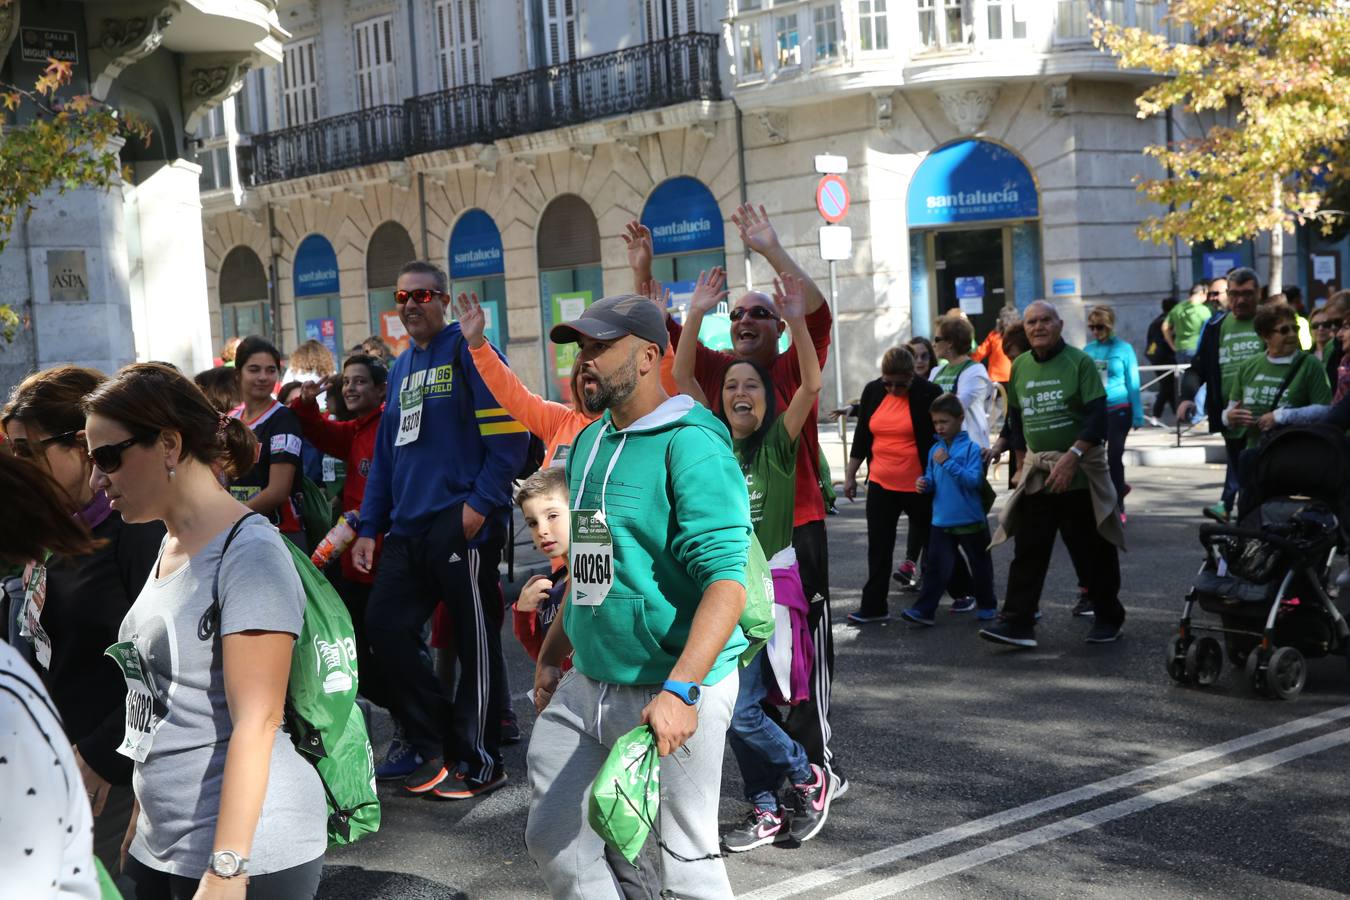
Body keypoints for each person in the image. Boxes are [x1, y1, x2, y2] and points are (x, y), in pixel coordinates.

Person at [524, 292, 749, 900]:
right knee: (555, 838)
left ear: (649, 356)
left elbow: (729, 582)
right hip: (588, 683)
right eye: (582, 348)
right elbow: (592, 563)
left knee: (687, 864)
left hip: (671, 688)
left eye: (601, 347)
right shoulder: (593, 440)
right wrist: (553, 651)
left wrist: (681, 690)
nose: (584, 361)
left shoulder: (693, 443)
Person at [82, 363, 327, 898]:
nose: (98, 479)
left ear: (168, 445)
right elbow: (161, 700)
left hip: (249, 851)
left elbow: (258, 721)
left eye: (106, 457)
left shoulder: (250, 552)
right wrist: (140, 824)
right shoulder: (167, 545)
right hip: (162, 844)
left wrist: (228, 866)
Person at [627, 205, 844, 792]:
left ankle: (816, 764)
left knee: (799, 663)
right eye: (739, 312)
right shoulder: (724, 372)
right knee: (748, 669)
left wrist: (772, 249)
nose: (747, 318)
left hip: (795, 532)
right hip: (737, 542)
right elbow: (668, 342)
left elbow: (815, 315)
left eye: (760, 312)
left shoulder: (794, 366)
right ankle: (773, 782)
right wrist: (644, 271)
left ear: (777, 325)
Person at [351, 260, 527, 800]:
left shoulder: (470, 349)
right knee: (381, 632)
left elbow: (512, 435)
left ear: (443, 300)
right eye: (402, 295)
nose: (410, 304)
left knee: (473, 644)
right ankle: (437, 742)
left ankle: (480, 760)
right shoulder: (402, 365)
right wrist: (368, 526)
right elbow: (385, 458)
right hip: (406, 530)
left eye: (422, 295)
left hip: (461, 524)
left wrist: (479, 506)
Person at [674, 269, 831, 852]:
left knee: (746, 709)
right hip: (724, 591)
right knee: (731, 706)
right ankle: (765, 805)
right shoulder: (712, 439)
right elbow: (685, 372)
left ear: (769, 402)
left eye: (754, 387)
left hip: (772, 596)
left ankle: (808, 773)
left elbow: (811, 383)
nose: (741, 392)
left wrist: (794, 317)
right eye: (733, 385)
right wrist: (695, 311)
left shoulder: (779, 446)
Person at [2, 366, 165, 875]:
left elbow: (167, 667)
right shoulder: (56, 526)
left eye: (28, 450)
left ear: (81, 444)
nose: (18, 464)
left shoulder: (136, 528)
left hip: (117, 773)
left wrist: (100, 755)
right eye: (12, 450)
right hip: (59, 762)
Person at [981, 302, 1126, 649]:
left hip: (1079, 474)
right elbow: (1016, 420)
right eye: (1032, 322)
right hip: (1039, 474)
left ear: (1059, 324)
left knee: (1092, 551)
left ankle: (1108, 618)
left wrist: (1073, 457)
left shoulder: (1080, 362)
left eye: (1046, 320)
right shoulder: (1021, 367)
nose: (1038, 327)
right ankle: (1017, 623)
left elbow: (1096, 419)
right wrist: (1018, 463)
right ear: (1025, 328)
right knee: (1029, 549)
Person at [287, 354, 393, 727]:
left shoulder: (388, 427)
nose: (350, 388)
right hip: (353, 562)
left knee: (391, 647)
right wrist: (306, 398)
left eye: (360, 381)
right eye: (346, 381)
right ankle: (409, 722)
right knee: (358, 650)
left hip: (385, 560)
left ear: (382, 390)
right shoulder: (356, 431)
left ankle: (417, 728)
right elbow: (314, 428)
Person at [843, 346, 942, 624]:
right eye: (889, 383)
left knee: (936, 545)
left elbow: (942, 434)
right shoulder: (873, 391)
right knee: (879, 548)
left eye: (902, 384)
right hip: (881, 483)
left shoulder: (928, 392)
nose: (894, 389)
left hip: (920, 485)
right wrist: (851, 475)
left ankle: (957, 593)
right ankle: (874, 606)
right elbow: (862, 436)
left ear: (913, 375)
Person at [456, 291, 596, 470]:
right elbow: (512, 394)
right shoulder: (559, 420)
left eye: (594, 374)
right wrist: (477, 344)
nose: (588, 379)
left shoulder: (622, 425)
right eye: (582, 373)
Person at [1222, 303, 1332, 517]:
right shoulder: (1248, 366)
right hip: (1257, 456)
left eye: (1295, 328)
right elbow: (1229, 410)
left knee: (1284, 520)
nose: (1292, 334)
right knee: (1250, 517)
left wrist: (1281, 416)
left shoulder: (1309, 365)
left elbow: (1325, 410)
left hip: (1294, 457)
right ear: (1265, 335)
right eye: (1284, 330)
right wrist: (1229, 417)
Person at [899, 393, 997, 626]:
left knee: (980, 565)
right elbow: (932, 479)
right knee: (935, 567)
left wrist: (948, 463)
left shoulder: (972, 449)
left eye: (945, 422)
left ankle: (987, 605)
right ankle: (924, 611)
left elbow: (974, 481)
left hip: (970, 518)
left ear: (960, 419)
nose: (939, 427)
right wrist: (924, 483)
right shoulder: (935, 450)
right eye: (935, 422)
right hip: (941, 519)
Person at [1177, 267, 1265, 522]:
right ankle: (1235, 518)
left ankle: (1242, 519)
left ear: (1258, 293)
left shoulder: (1269, 321)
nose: (1240, 300)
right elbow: (1198, 366)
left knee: (1255, 474)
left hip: (1265, 415)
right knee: (1238, 462)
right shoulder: (1216, 325)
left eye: (1247, 293)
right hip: (1229, 414)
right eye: (1234, 293)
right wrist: (1186, 397)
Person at [227, 336, 307, 547]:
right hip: (236, 531)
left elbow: (278, 491)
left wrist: (231, 520)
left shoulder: (284, 419)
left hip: (281, 535)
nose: (263, 377)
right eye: (254, 369)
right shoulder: (230, 419)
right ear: (238, 374)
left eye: (270, 370)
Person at [1082, 305, 1143, 519]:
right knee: (1094, 460)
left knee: (1114, 457)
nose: (1096, 332)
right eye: (1092, 327)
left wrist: (1138, 414)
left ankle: (1119, 507)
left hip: (1119, 408)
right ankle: (1112, 492)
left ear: (1109, 326)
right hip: (1096, 410)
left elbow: (1133, 381)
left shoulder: (1123, 349)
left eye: (1100, 327)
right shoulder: (1087, 351)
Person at [931, 315, 993, 448]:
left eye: (937, 339)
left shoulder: (975, 371)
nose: (933, 344)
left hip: (970, 449)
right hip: (942, 447)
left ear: (950, 343)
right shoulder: (936, 371)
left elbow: (956, 406)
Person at [1145, 297, 1179, 424]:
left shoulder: (1156, 320)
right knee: (1167, 386)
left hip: (1155, 356)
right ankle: (1156, 414)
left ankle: (1177, 412)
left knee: (1169, 385)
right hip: (1164, 357)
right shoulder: (1167, 322)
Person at [1162, 283, 1213, 364]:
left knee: (1183, 375)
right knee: (1198, 374)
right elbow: (1210, 330)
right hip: (1196, 348)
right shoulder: (1204, 310)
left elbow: (1165, 327)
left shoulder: (1178, 307)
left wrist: (1172, 345)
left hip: (1179, 348)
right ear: (1201, 293)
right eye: (1207, 294)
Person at [972, 306, 1019, 384]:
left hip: (996, 378)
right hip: (1015, 376)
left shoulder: (994, 336)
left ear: (1001, 320)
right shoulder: (1020, 335)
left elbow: (979, 354)